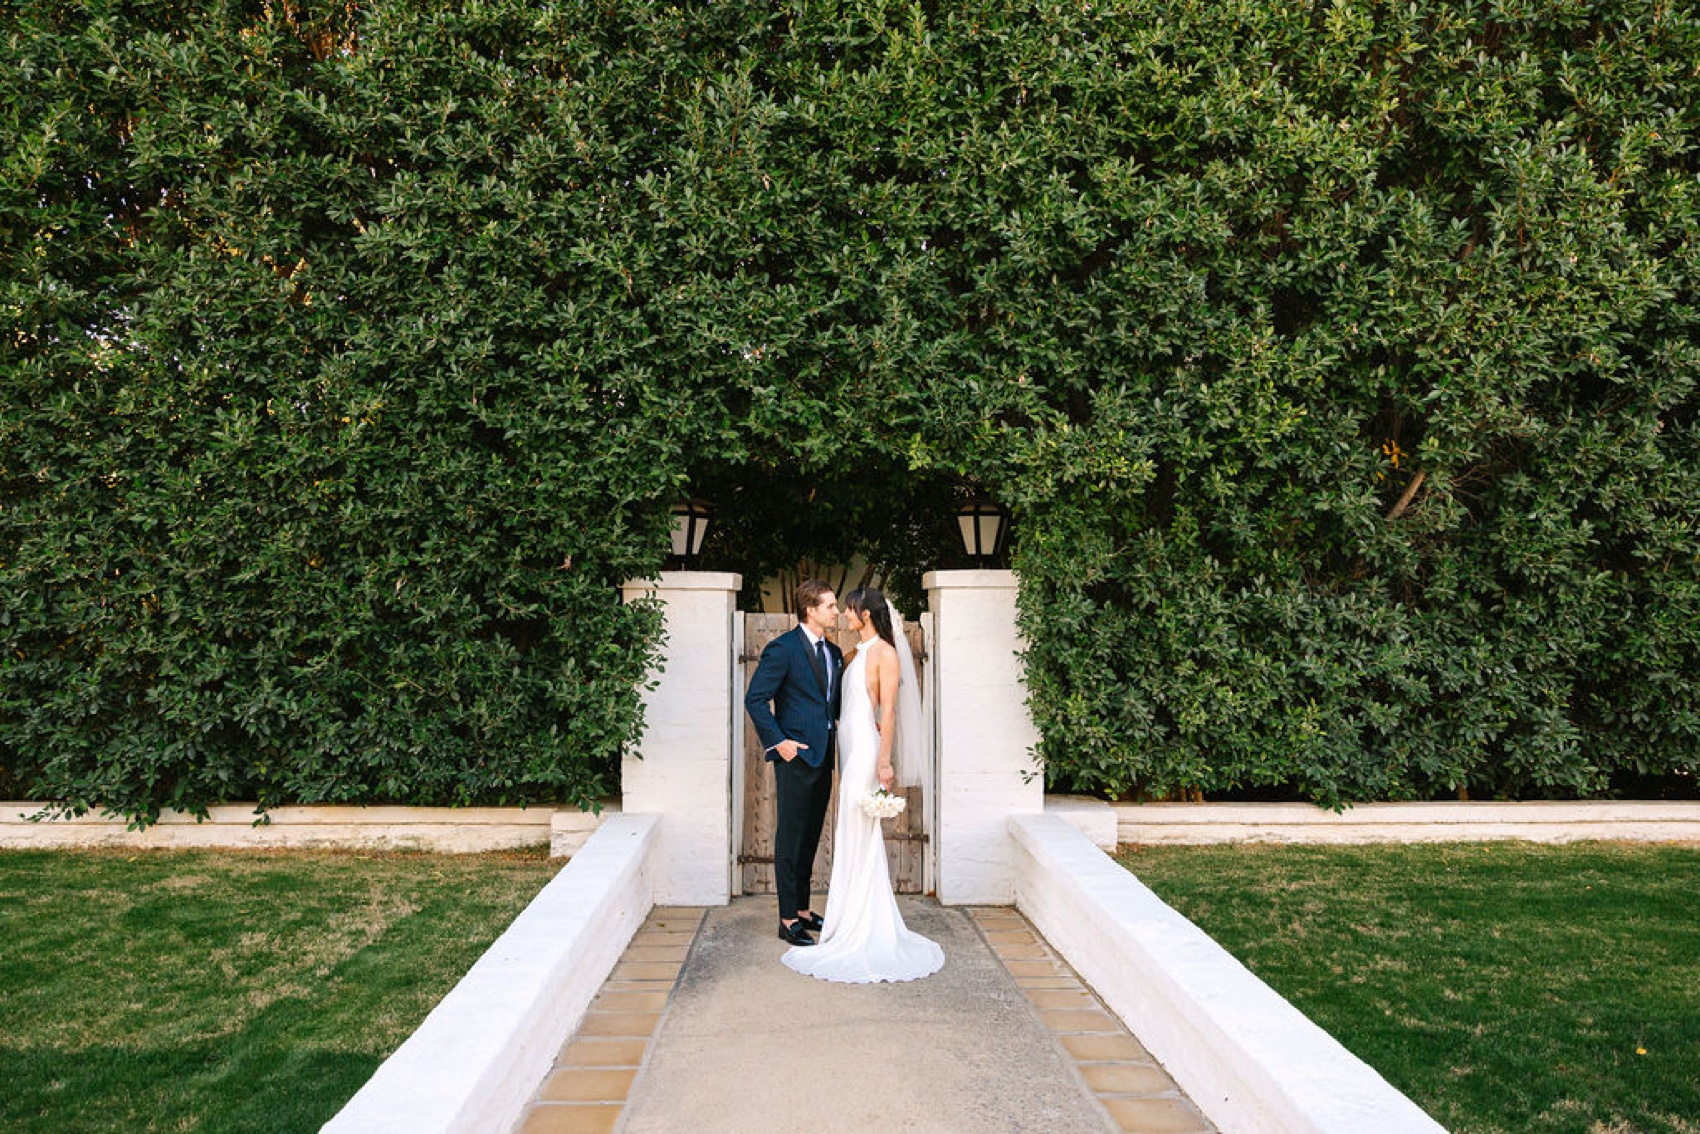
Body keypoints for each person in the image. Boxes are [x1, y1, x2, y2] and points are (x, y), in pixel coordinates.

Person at [783, 587, 944, 983]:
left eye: (849, 609)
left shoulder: (886, 655)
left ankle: (864, 922)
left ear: (866, 614)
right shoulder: (853, 653)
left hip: (866, 755)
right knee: (850, 830)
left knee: (860, 830)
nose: (843, 614)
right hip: (850, 746)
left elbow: (887, 711)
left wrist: (884, 760)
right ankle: (847, 915)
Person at [744, 580, 842, 946]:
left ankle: (802, 909)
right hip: (795, 757)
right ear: (810, 610)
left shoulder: (832, 652)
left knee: (811, 835)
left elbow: (831, 705)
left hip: (825, 755)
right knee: (791, 838)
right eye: (830, 606)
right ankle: (787, 920)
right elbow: (755, 699)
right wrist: (780, 743)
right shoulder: (782, 649)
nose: (836, 612)